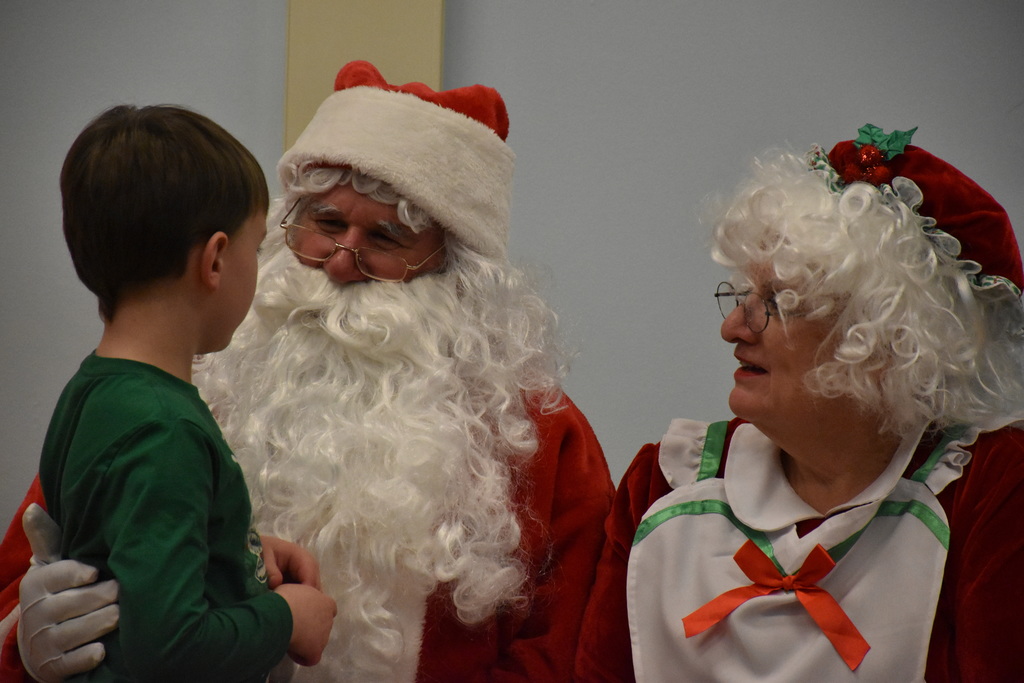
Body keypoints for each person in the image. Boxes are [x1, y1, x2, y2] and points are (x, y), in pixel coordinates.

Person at [2, 62, 614, 682]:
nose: (343, 262)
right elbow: (36, 564)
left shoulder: (533, 435)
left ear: (454, 269)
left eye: (387, 236)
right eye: (324, 224)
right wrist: (24, 644)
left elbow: (574, 654)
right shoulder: (189, 383)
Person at [575, 124, 1024, 681]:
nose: (734, 328)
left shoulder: (986, 492)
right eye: (742, 295)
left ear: (888, 339)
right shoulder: (663, 484)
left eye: (778, 303)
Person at [8, 104, 338, 682]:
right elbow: (167, 648)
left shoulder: (94, 388)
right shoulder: (167, 429)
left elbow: (129, 556)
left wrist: (238, 555)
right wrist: (285, 618)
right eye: (256, 248)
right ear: (214, 259)